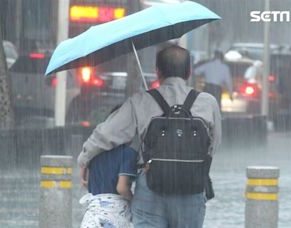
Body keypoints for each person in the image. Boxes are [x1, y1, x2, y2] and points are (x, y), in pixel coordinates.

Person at [78, 45, 221, 228]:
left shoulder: (141, 100)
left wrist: (84, 159)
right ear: (188, 72)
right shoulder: (208, 102)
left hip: (151, 187)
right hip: (191, 187)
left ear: (157, 72)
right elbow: (213, 145)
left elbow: (106, 134)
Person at [79, 106, 138, 228]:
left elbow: (85, 183)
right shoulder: (127, 153)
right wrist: (135, 202)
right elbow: (122, 188)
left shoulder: (92, 152)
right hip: (113, 217)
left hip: (91, 217)